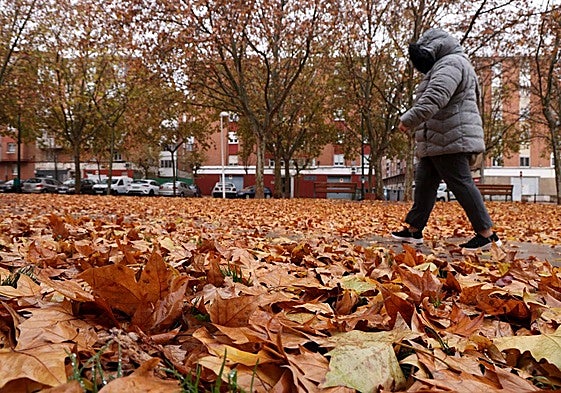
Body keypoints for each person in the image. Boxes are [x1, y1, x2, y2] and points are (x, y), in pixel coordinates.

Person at [390, 28, 502, 251]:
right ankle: (414, 230)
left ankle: (487, 234)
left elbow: (435, 96)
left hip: (451, 137)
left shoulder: (450, 64)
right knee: (424, 184)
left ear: (434, 48)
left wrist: (408, 119)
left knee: (461, 183)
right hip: (439, 139)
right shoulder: (450, 63)